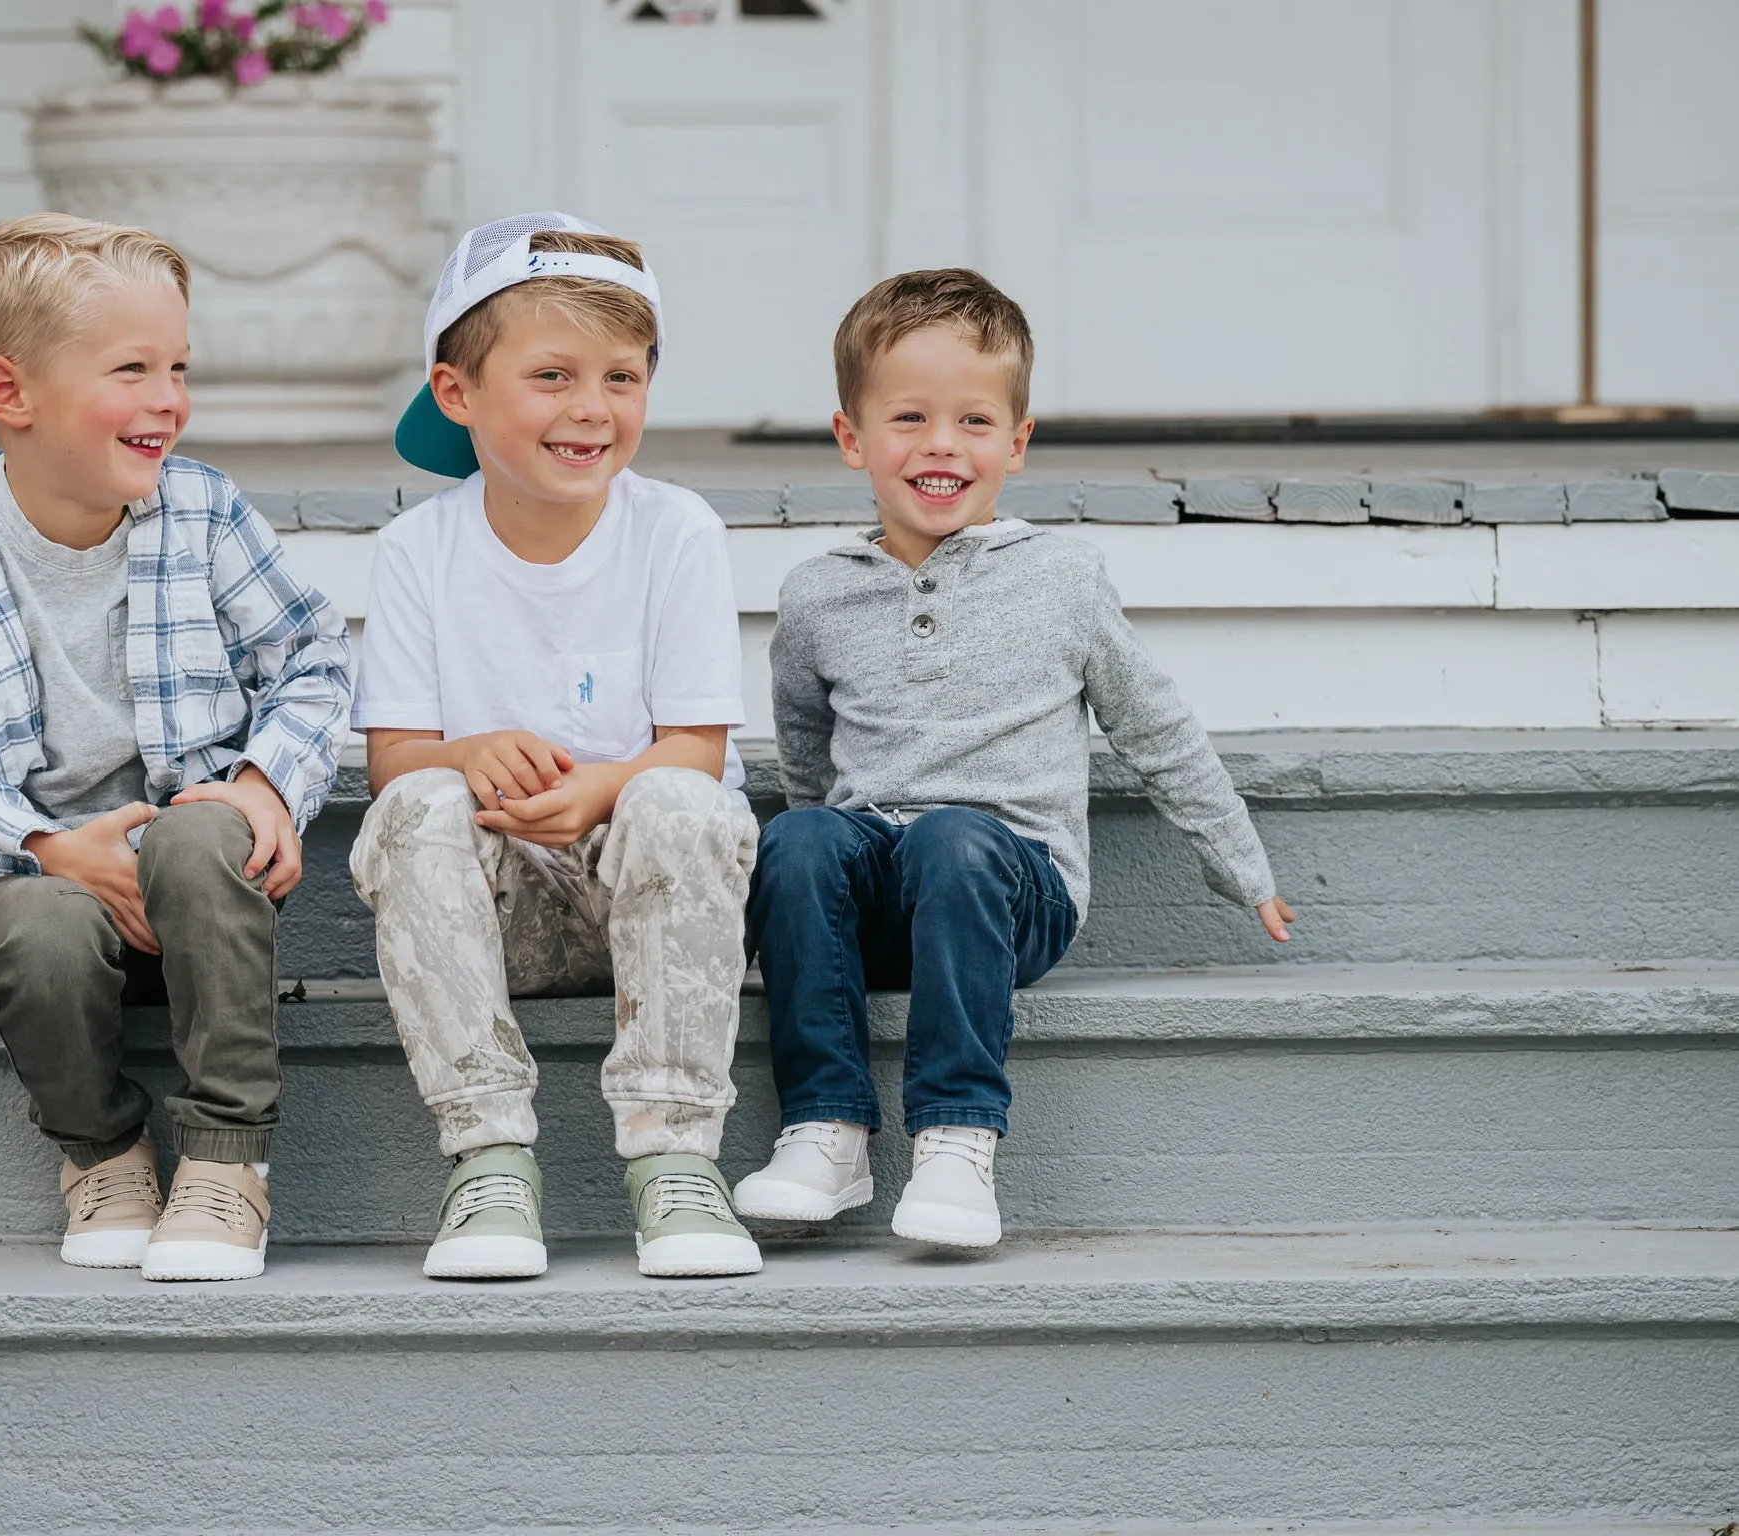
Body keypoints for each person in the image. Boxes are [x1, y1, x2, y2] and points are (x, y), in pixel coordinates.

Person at [733, 269, 1296, 1249]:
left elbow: (1153, 728)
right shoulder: (816, 595)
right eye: (907, 418)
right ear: (851, 437)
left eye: (973, 422)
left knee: (955, 839)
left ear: (1017, 442)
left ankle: (956, 1140)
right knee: (798, 838)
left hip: (1011, 888)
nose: (940, 444)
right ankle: (826, 1130)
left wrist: (1239, 863)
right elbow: (804, 750)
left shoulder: (1062, 579)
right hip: (878, 888)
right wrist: (817, 878)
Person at [0, 214, 351, 1281]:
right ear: (10, 393)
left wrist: (266, 785)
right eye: (131, 369)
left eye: (178, 365)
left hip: (195, 869)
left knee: (205, 834)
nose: (168, 397)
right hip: (34, 871)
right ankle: (105, 1153)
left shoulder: (204, 514)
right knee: (36, 934)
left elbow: (309, 661)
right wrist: (46, 845)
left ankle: (225, 1162)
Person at [348, 213, 762, 1281]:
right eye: (552, 376)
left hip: (653, 906)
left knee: (676, 799)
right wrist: (467, 750)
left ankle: (674, 1160)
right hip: (496, 914)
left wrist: (602, 789)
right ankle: (487, 1157)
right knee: (413, 809)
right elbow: (392, 760)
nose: (592, 409)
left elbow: (698, 752)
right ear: (457, 394)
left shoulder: (674, 531)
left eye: (623, 378)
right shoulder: (416, 552)